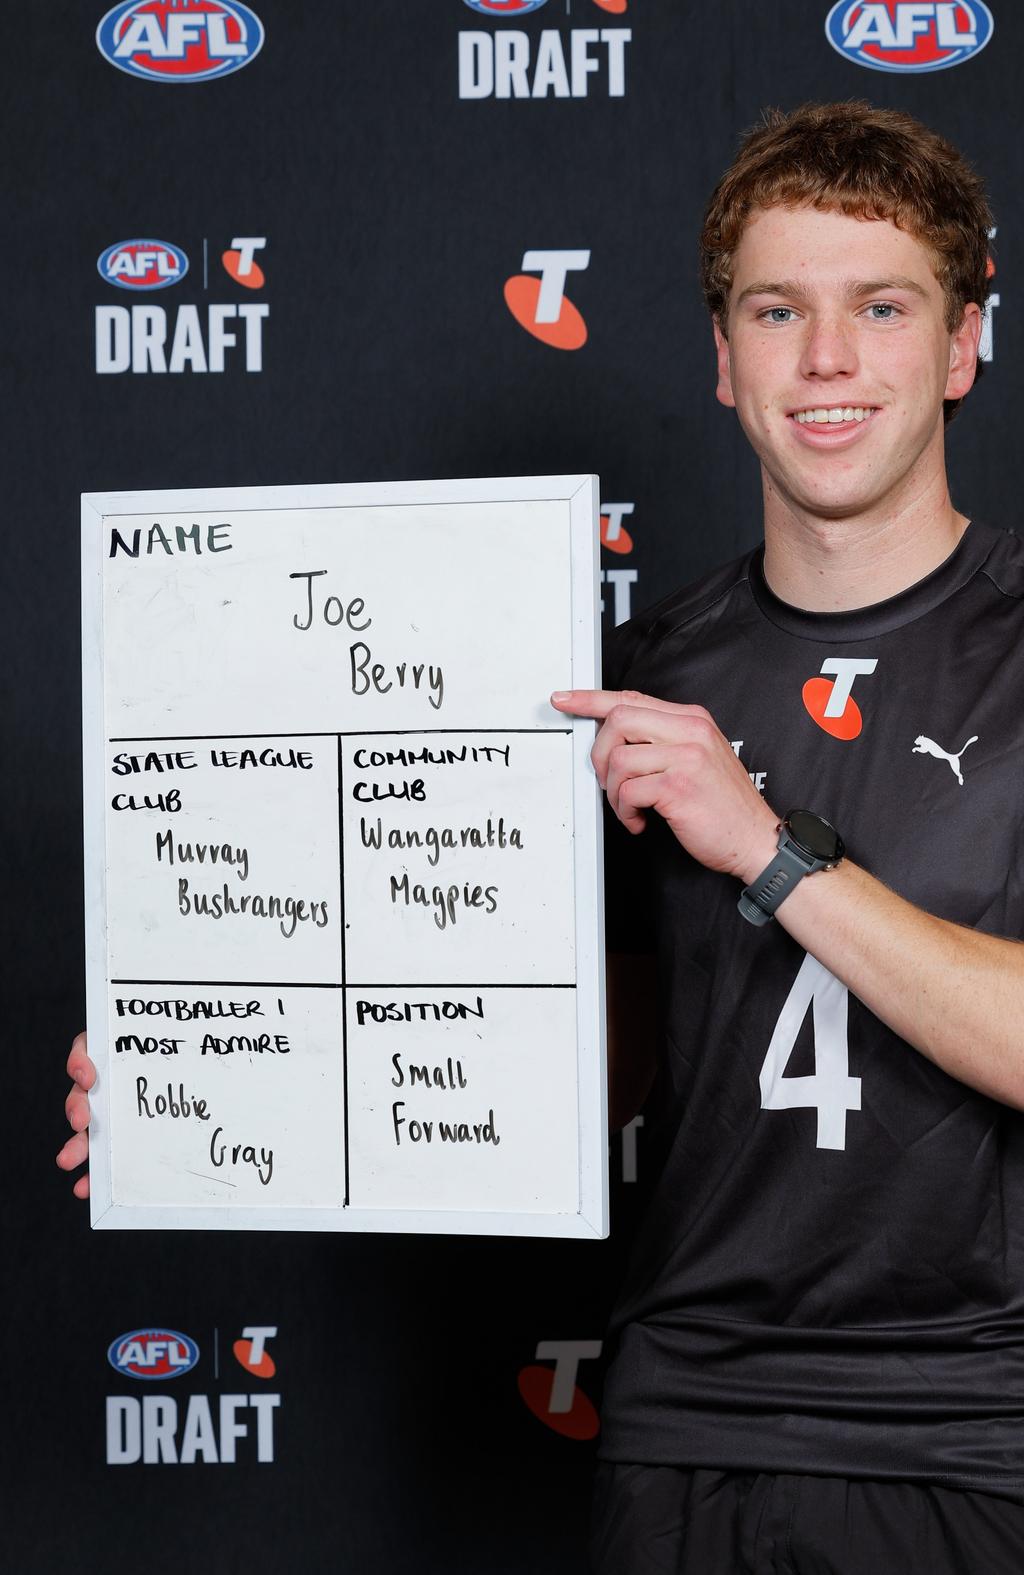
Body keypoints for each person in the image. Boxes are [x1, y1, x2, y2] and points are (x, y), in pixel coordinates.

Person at [548, 102, 1024, 1571]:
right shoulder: (640, 679)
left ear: (959, 348)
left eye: (882, 308)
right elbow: (586, 1055)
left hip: (973, 1435)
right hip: (687, 1429)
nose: (826, 360)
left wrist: (769, 848)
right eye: (778, 310)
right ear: (723, 356)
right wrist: (229, 1079)